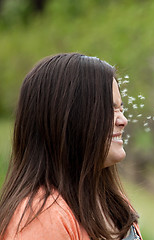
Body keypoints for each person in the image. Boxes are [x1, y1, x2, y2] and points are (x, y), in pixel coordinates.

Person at [0, 53, 142, 240]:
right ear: (69, 119)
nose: (123, 120)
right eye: (108, 109)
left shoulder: (114, 205)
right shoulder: (43, 219)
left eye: (121, 109)